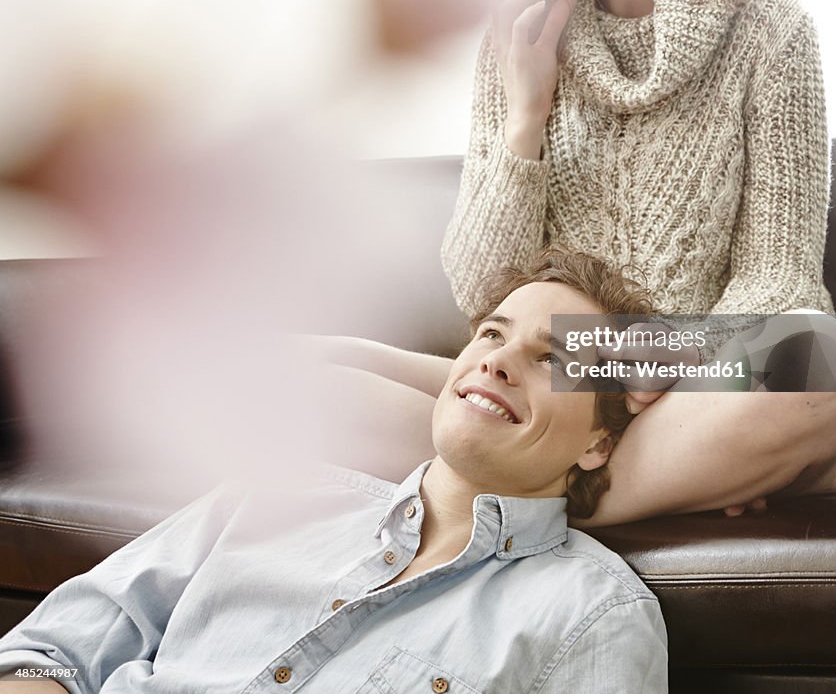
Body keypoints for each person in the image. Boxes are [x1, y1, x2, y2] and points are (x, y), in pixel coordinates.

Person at [310, 0, 836, 525]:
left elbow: (776, 276)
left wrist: (649, 365)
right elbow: (479, 292)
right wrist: (526, 114)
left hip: (692, 387)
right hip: (544, 382)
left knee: (824, 360)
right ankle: (592, 485)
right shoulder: (522, 14)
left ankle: (534, 493)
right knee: (285, 375)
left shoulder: (769, 25)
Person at [0, 250, 668, 694]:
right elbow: (48, 650)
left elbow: (772, 361)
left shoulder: (594, 614)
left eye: (550, 360)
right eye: (490, 335)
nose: (495, 362)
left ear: (598, 443)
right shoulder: (271, 495)